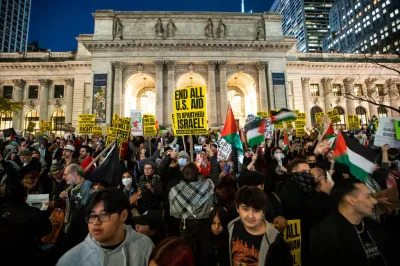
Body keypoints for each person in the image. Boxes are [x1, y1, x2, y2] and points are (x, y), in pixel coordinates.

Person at [57, 188, 154, 266]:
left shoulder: (145, 246)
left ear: (123, 216)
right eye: (92, 216)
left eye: (103, 215)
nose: (95, 222)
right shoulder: (72, 260)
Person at [310, 178, 395, 266]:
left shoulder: (375, 227)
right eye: (368, 196)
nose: (375, 201)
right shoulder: (324, 234)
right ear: (351, 200)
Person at [228, 186, 291, 266]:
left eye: (256, 210)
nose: (250, 216)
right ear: (237, 208)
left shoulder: (275, 242)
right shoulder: (231, 227)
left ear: (263, 211)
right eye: (246, 209)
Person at [169, 162, 215, 265]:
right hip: (203, 224)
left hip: (186, 225)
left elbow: (174, 213)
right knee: (202, 255)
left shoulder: (174, 190)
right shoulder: (207, 187)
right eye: (187, 171)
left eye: (189, 171)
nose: (188, 173)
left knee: (188, 254)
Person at [0, 183, 52, 265]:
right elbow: (46, 230)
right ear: (25, 197)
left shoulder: (3, 212)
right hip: (27, 255)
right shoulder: (33, 212)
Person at [59, 163, 93, 252]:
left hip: (81, 229)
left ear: (75, 174)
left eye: (66, 174)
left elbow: (83, 207)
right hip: (72, 225)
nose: (63, 177)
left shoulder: (87, 187)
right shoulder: (72, 186)